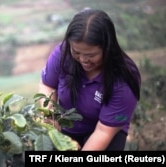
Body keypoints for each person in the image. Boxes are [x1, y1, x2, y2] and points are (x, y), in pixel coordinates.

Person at [39, 8, 141, 151]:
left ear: (107, 47)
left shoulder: (123, 80)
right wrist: (50, 115)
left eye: (91, 55)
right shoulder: (63, 54)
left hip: (104, 131)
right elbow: (47, 85)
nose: (83, 60)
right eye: (77, 52)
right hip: (66, 127)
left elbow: (103, 132)